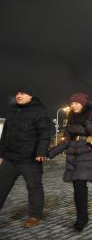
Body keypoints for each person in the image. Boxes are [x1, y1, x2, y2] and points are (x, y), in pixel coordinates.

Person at [48, 93, 92, 231]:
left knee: (80, 184)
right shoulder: (71, 119)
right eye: (71, 103)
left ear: (83, 104)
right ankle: (83, 216)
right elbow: (66, 140)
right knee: (77, 187)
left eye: (76, 103)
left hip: (87, 153)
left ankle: (81, 219)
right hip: (73, 154)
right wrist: (50, 153)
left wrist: (86, 122)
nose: (72, 105)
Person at [0, 89, 51, 228]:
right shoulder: (11, 111)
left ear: (31, 95)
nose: (18, 96)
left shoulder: (39, 111)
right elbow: (5, 135)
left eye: (22, 93)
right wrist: (1, 154)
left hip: (30, 159)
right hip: (10, 158)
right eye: (17, 93)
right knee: (1, 186)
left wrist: (41, 152)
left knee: (34, 187)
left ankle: (35, 215)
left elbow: (44, 133)